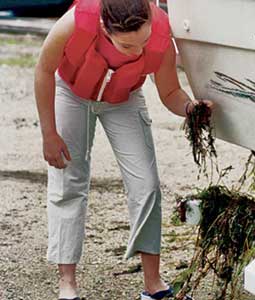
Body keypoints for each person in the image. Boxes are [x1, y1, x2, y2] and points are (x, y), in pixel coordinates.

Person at [34, 0, 213, 299]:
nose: (139, 52)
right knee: (69, 182)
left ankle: (152, 285)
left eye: (143, 41)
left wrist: (190, 108)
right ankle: (67, 284)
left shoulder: (159, 30)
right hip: (72, 93)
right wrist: (49, 133)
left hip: (124, 98)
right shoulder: (75, 22)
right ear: (105, 28)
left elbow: (169, 91)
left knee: (147, 185)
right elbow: (43, 71)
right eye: (128, 46)